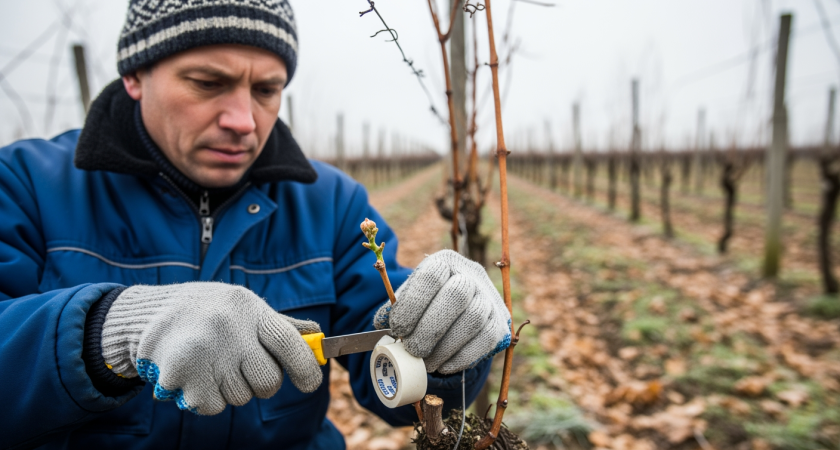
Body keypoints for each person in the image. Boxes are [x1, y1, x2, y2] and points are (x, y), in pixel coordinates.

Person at [0, 1, 512, 449]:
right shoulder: (24, 185)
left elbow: (397, 385)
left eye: (267, 90)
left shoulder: (331, 202)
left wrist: (451, 342)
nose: (244, 120)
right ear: (134, 76)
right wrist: (110, 333)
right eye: (208, 83)